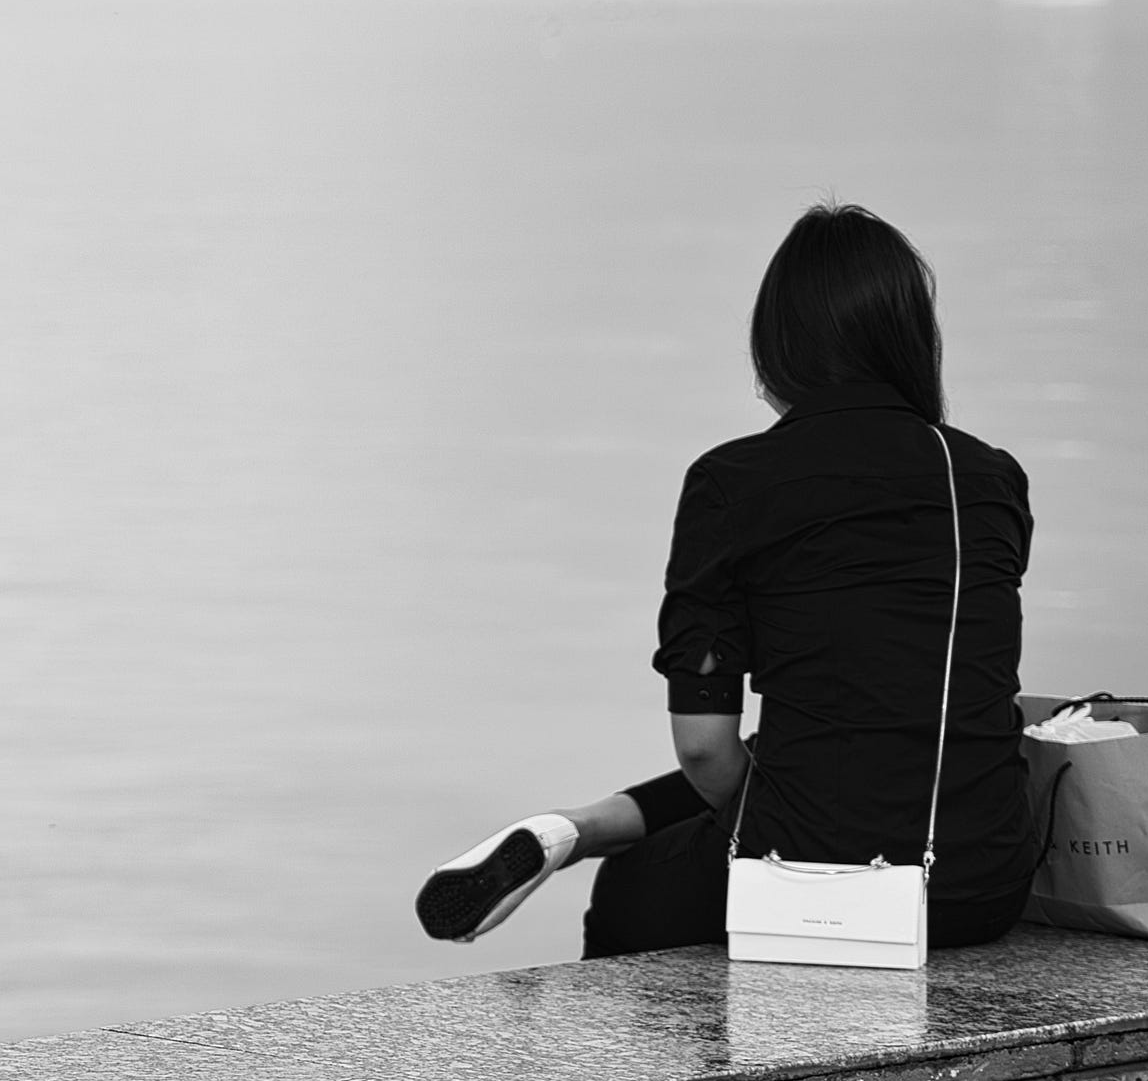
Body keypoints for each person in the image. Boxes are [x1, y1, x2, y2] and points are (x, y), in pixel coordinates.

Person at [414, 203, 1037, 957]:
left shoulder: (734, 483)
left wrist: (779, 821)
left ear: (775, 347)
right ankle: (577, 828)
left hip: (827, 889)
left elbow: (705, 748)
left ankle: (582, 843)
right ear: (913, 341)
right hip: (986, 883)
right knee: (807, 755)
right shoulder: (989, 477)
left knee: (641, 884)